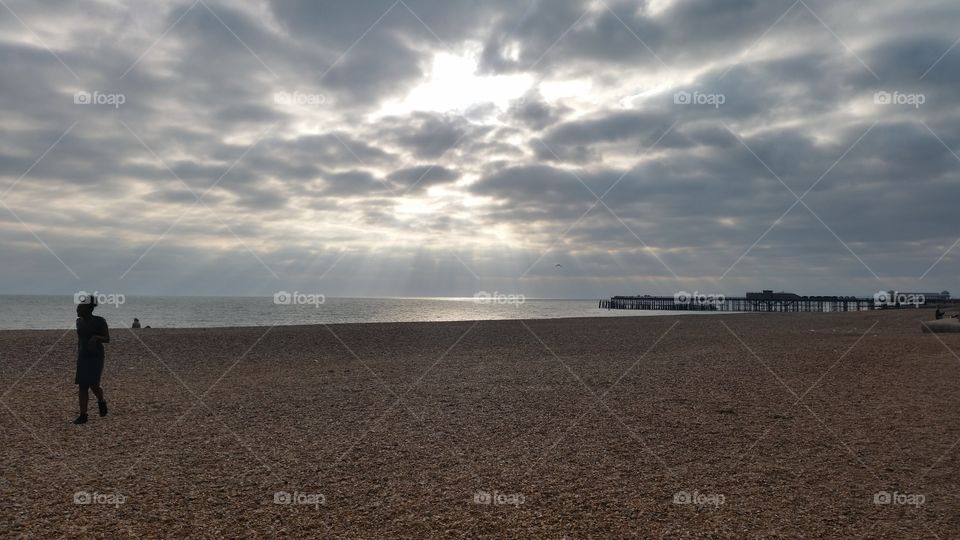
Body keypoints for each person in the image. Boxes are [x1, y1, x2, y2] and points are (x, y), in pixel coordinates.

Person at [74, 296, 109, 425]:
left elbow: (107, 338)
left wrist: (95, 338)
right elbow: (79, 339)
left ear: (88, 308)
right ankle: (83, 415)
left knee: (94, 385)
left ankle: (101, 400)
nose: (77, 309)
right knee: (82, 385)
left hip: (96, 356)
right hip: (83, 356)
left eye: (80, 306)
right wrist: (79, 353)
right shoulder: (78, 322)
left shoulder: (99, 321)